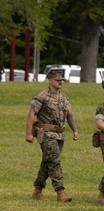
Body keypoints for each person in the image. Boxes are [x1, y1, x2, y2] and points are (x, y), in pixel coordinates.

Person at [26, 69, 79, 202]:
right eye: (57, 80)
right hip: (46, 134)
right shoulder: (41, 96)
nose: (60, 82)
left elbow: (70, 115)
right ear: (50, 80)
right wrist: (28, 133)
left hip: (59, 135)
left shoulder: (64, 97)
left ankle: (37, 191)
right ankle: (60, 192)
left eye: (61, 80)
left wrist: (75, 130)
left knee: (47, 162)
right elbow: (32, 113)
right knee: (54, 162)